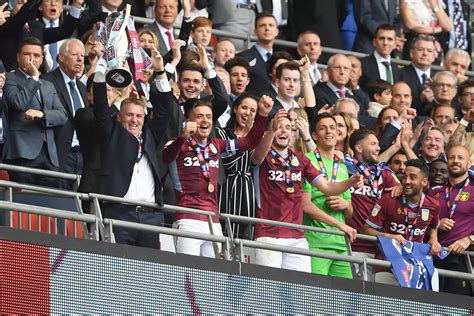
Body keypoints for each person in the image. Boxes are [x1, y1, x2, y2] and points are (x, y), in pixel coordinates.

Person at [162, 95, 274, 257]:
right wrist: (183, 137)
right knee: (187, 274)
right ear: (189, 120)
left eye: (208, 117)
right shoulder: (176, 144)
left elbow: (249, 142)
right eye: (199, 117)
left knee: (213, 277)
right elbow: (166, 156)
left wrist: (263, 115)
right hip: (187, 218)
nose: (205, 121)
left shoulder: (217, 144)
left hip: (213, 222)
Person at [250, 111, 363, 272]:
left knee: (301, 293)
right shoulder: (262, 155)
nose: (283, 130)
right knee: (269, 291)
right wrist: (271, 131)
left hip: (297, 237)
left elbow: (327, 187)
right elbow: (257, 157)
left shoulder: (301, 159)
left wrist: (349, 182)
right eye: (279, 127)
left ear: (292, 133)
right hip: (268, 233)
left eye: (288, 127)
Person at [93, 47, 172, 249]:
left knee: (149, 273)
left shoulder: (150, 136)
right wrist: (101, 68)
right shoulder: (111, 133)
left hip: (151, 216)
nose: (134, 120)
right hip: (118, 213)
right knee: (117, 271)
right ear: (119, 117)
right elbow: (101, 107)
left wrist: (160, 71)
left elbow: (165, 110)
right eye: (129, 115)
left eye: (139, 116)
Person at [362, 159, 440, 285]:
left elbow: (434, 226)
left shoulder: (433, 205)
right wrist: (390, 236)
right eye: (405, 176)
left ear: (424, 182)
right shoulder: (389, 200)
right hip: (387, 264)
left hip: (416, 266)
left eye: (412, 177)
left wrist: (434, 239)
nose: (406, 181)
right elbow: (366, 230)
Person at [3, 37, 67, 187]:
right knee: (23, 203)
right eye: (27, 54)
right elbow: (18, 103)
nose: (32, 59)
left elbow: (62, 115)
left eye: (37, 56)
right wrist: (33, 78)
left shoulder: (48, 85)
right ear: (18, 57)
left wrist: (43, 114)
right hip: (22, 153)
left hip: (49, 155)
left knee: (50, 203)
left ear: (42, 59)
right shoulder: (10, 78)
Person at [302, 113, 356, 278]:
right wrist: (340, 226)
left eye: (333, 127)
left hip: (341, 243)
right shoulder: (306, 160)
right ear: (313, 135)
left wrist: (345, 205)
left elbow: (349, 213)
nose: (329, 132)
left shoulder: (342, 166)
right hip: (315, 242)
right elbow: (305, 205)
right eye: (322, 128)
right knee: (315, 297)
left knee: (345, 300)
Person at [345, 128, 401, 280]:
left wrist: (399, 188)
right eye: (373, 144)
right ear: (359, 147)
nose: (378, 148)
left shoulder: (383, 172)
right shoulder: (343, 166)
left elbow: (406, 192)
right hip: (350, 245)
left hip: (379, 249)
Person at [42, 39, 89, 189]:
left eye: (82, 55)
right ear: (61, 57)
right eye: (75, 54)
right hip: (58, 155)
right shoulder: (47, 80)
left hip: (82, 156)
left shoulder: (82, 88)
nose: (80, 59)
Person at [430, 145, 474, 296]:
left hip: (461, 258)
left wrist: (468, 239)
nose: (456, 161)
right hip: (433, 256)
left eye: (460, 158)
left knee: (456, 307)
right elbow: (420, 220)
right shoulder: (433, 191)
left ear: (469, 164)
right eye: (452, 157)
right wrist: (436, 225)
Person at [216, 93, 260, 239]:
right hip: (227, 187)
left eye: (253, 111)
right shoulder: (221, 133)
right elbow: (227, 162)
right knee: (225, 234)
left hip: (248, 188)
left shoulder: (259, 140)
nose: (248, 113)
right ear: (235, 109)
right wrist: (247, 137)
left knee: (246, 236)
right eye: (244, 108)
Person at [238, 12, 279, 97]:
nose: (267, 28)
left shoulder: (280, 60)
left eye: (271, 25)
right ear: (255, 31)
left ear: (277, 31)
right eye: (262, 25)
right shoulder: (243, 58)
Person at [401, 34, 438, 114]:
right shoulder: (400, 75)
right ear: (411, 53)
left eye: (429, 50)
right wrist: (420, 100)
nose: (425, 53)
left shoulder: (439, 78)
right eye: (421, 49)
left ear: (434, 56)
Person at [359, 25, 402, 91]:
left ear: (395, 44)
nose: (385, 43)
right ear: (374, 42)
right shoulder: (362, 65)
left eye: (389, 39)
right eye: (382, 38)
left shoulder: (398, 71)